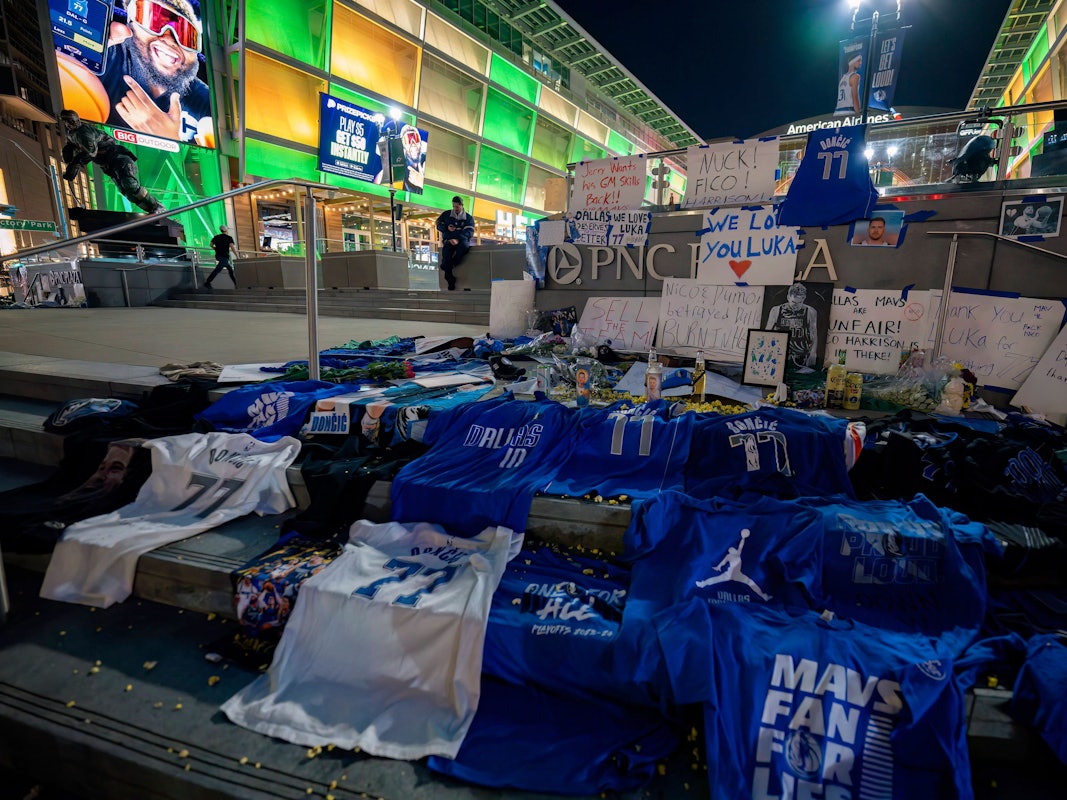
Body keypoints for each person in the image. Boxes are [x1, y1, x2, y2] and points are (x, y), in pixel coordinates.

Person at [98, 0, 211, 144]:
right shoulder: (105, 57)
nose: (170, 40)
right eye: (155, 20)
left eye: (185, 34)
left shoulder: (207, 105)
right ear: (131, 22)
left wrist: (170, 142)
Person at [59, 109, 166, 214]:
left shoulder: (84, 131)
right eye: (65, 122)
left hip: (119, 160)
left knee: (130, 186)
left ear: (75, 120)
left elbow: (91, 151)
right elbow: (72, 147)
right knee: (129, 194)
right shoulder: (72, 134)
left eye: (69, 121)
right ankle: (153, 210)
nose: (67, 124)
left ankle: (158, 206)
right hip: (110, 166)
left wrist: (76, 164)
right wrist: (69, 159)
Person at [766, 282, 819, 373]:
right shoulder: (776, 310)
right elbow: (766, 333)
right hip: (779, 354)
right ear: (788, 297)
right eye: (793, 302)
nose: (796, 306)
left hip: (801, 355)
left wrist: (813, 353)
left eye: (799, 303)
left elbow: (814, 334)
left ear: (804, 298)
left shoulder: (810, 311)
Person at [435, 196, 475, 291]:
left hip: (462, 241)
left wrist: (457, 239)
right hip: (448, 240)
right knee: (446, 252)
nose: (455, 209)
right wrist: (447, 228)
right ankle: (449, 279)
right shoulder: (446, 214)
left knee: (464, 247)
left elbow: (469, 232)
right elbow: (438, 225)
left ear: (462, 205)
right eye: (453, 207)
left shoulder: (468, 218)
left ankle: (449, 264)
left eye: (457, 207)